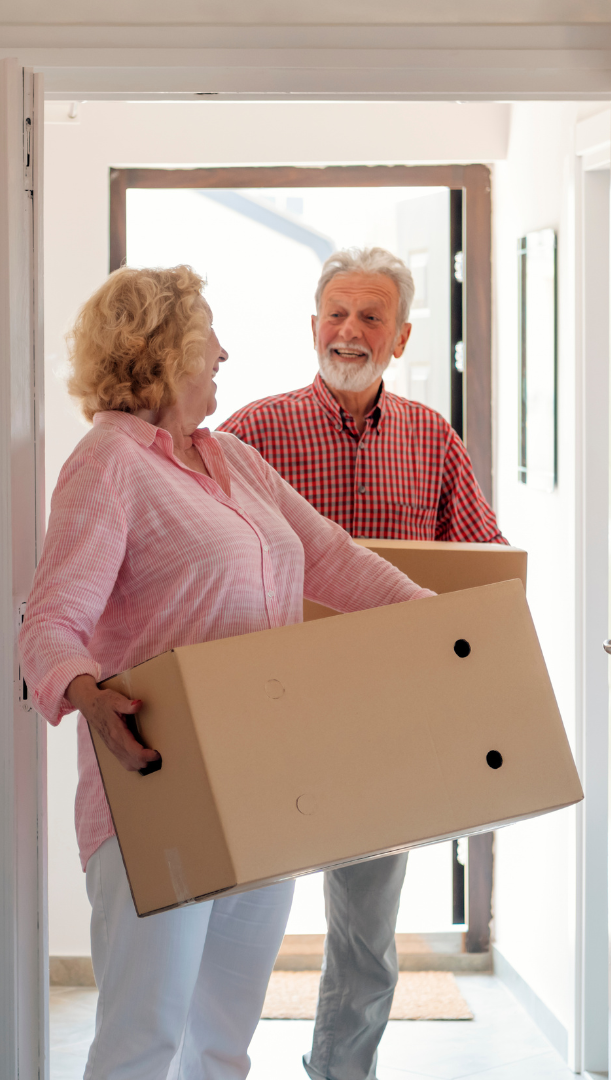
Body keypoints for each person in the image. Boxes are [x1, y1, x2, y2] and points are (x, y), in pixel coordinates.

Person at [19, 264, 434, 1080]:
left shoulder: (233, 457)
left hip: (261, 789)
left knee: (222, 1046)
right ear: (164, 351)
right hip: (160, 791)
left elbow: (332, 560)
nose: (225, 355)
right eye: (210, 340)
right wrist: (88, 695)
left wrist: (446, 625)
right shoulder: (108, 464)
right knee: (144, 1042)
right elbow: (51, 618)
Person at [217, 246, 507, 1080]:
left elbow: (479, 564)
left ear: (403, 335)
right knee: (233, 919)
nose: (350, 332)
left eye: (370, 317)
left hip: (388, 721)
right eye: (336, 314)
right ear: (313, 325)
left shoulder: (430, 437)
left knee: (367, 938)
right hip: (269, 709)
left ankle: (343, 1073)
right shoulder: (251, 433)